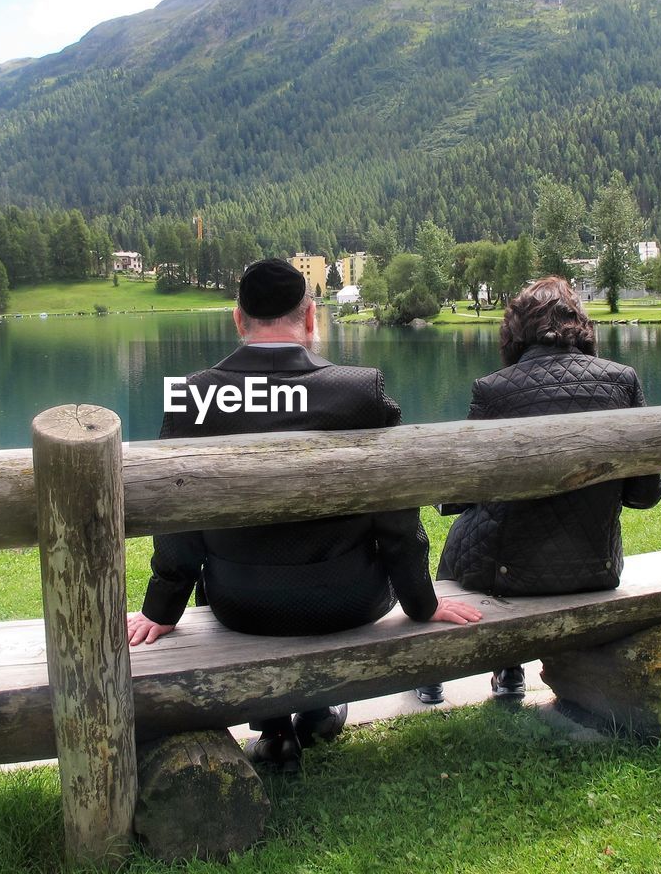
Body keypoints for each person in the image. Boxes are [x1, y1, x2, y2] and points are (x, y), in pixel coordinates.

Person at [127, 258, 482, 772]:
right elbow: (397, 520)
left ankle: (274, 731)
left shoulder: (193, 397)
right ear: (311, 317)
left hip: (241, 605)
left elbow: (179, 524)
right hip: (350, 600)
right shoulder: (361, 391)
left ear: (238, 320)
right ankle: (318, 710)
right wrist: (422, 602)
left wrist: (160, 611)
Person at [416, 276, 661, 705]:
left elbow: (459, 495)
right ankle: (507, 672)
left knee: (463, 539)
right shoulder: (622, 380)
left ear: (514, 330)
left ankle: (443, 670)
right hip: (596, 568)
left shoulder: (493, 390)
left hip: (508, 575)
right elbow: (646, 494)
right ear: (580, 325)